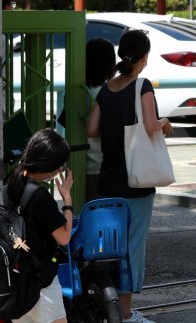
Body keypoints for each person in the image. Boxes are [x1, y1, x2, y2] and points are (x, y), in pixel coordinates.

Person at [86, 29, 173, 323]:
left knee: (110, 246)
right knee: (132, 247)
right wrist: (164, 123)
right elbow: (150, 126)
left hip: (107, 182)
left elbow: (92, 129)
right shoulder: (142, 85)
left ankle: (106, 305)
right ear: (144, 56)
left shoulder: (107, 88)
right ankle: (125, 312)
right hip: (136, 183)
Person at [0, 129, 73, 323]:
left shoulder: (7, 188)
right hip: (40, 282)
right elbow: (64, 237)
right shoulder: (38, 196)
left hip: (14, 284)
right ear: (52, 167)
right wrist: (66, 197)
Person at [83, 38, 116, 201]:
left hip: (78, 164)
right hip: (101, 166)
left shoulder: (79, 91)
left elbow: (64, 122)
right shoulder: (106, 93)